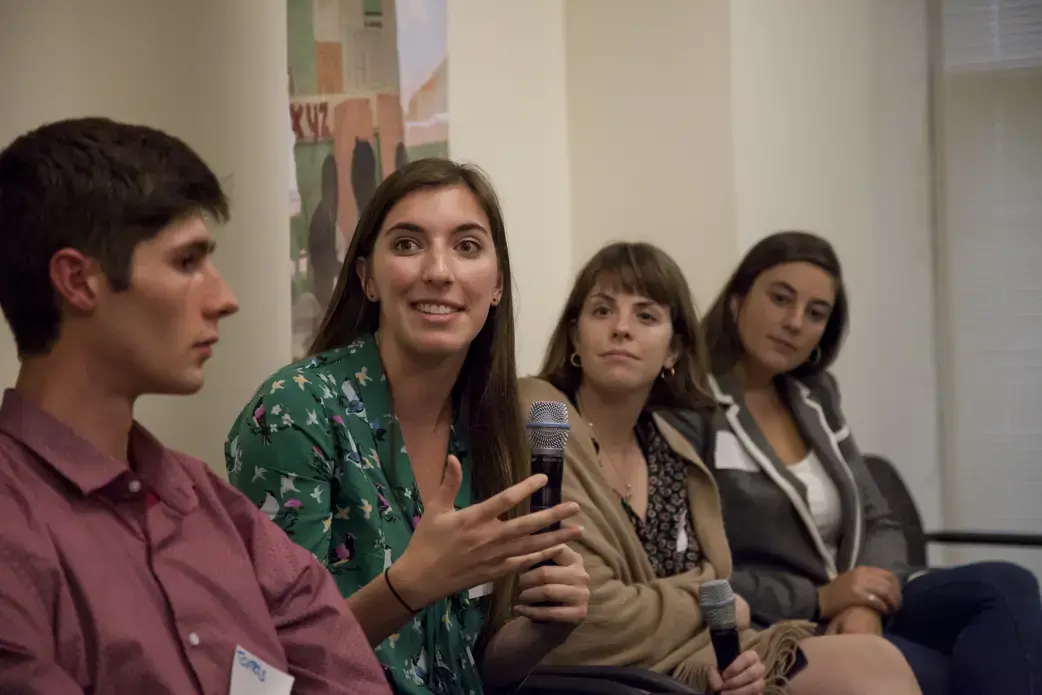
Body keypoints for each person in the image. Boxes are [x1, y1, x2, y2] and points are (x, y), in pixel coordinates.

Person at [0, 118, 390, 694]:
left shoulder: (210, 504)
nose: (225, 299)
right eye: (187, 263)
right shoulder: (16, 527)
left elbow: (348, 678)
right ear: (78, 281)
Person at [226, 158, 591, 694]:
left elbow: (466, 672)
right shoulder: (295, 411)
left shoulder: (490, 425)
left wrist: (541, 632)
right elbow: (274, 662)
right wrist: (410, 585)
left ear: (496, 286)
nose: (439, 272)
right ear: (367, 278)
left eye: (467, 247)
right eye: (408, 244)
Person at [520, 241, 922, 695]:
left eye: (646, 316)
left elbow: (719, 594)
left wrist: (728, 652)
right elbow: (587, 617)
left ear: (673, 352)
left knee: (876, 663)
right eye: (602, 311)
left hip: (702, 658)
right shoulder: (543, 415)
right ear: (575, 335)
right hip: (608, 675)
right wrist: (711, 603)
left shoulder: (671, 449)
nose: (621, 329)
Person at [690, 230, 1042, 695]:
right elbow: (695, 566)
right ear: (737, 300)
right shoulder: (693, 408)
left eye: (816, 313)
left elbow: (878, 521)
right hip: (783, 617)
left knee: (1007, 584)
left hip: (861, 603)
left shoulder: (816, 394)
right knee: (970, 669)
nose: (795, 322)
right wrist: (820, 598)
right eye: (780, 299)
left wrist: (864, 604)